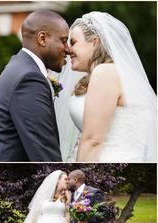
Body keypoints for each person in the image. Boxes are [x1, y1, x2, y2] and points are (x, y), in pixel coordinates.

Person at [55, 12, 157, 162]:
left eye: (74, 42)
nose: (68, 49)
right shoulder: (109, 74)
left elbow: (93, 140)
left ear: (95, 42)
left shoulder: (105, 72)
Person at [0, 10, 69, 162]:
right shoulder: (29, 78)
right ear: (42, 38)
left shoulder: (20, 66)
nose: (67, 49)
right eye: (64, 40)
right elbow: (43, 152)